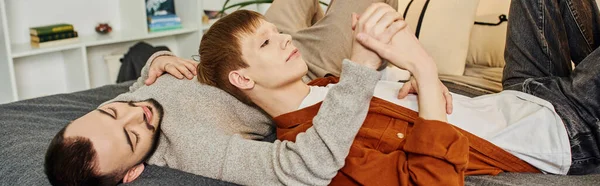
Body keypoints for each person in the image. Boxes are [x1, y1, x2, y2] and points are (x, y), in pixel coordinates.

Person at [196, 0, 600, 184]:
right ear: (243, 79)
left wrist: (417, 85)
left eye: (278, 32)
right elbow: (433, 180)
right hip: (564, 130)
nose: (286, 40)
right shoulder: (317, 150)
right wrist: (424, 70)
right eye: (266, 44)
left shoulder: (330, 87)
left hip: (524, 92)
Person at [43, 0, 403, 185]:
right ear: (133, 172)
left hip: (257, 41)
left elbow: (140, 83)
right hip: (300, 66)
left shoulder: (121, 108)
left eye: (111, 111)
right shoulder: (193, 149)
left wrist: (159, 58)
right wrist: (361, 71)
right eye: (132, 134)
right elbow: (301, 170)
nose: (137, 111)